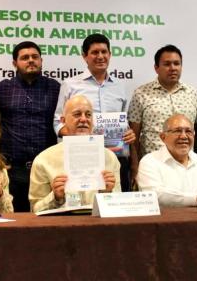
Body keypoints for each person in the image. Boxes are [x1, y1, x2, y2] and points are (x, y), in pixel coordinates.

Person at [53, 34, 136, 191]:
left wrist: (128, 134)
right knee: (85, 202)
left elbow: (123, 122)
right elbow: (58, 123)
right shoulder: (70, 85)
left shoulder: (119, 86)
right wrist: (82, 137)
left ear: (110, 54)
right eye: (95, 52)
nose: (100, 56)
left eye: (104, 52)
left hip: (115, 157)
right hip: (82, 157)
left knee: (116, 201)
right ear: (84, 56)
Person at [0, 41, 60, 212]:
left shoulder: (55, 88)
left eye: (35, 57)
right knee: (16, 219)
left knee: (46, 217)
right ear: (15, 63)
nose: (31, 60)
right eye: (25, 57)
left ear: (41, 61)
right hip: (13, 169)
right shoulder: (3, 88)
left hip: (47, 168)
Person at [29, 95, 120, 212]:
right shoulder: (43, 160)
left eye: (88, 115)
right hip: (62, 222)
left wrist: (107, 193)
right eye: (77, 114)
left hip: (97, 221)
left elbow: (118, 206)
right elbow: (34, 210)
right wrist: (55, 197)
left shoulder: (110, 158)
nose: (84, 119)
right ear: (63, 121)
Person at [128, 45, 197, 158]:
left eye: (176, 63)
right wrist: (134, 164)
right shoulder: (141, 94)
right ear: (156, 68)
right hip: (153, 162)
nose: (173, 68)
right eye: (167, 64)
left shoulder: (193, 94)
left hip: (187, 162)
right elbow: (134, 135)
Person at [137, 114, 197, 207]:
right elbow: (153, 195)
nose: (184, 136)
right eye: (177, 131)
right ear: (163, 137)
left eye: (188, 131)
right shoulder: (150, 162)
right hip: (164, 217)